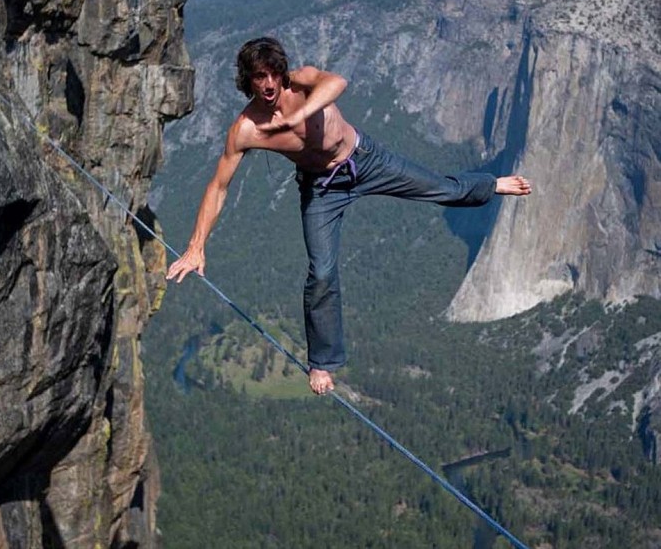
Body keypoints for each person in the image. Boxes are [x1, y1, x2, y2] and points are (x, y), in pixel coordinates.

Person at [167, 37, 532, 395]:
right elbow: (218, 187)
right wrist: (196, 246)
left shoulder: (303, 81)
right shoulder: (246, 129)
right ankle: (322, 361)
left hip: (365, 160)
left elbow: (338, 82)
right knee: (321, 272)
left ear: (282, 71)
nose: (267, 84)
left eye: (272, 74)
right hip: (322, 188)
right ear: (247, 80)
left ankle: (491, 183)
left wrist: (302, 113)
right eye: (258, 77)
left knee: (442, 189)